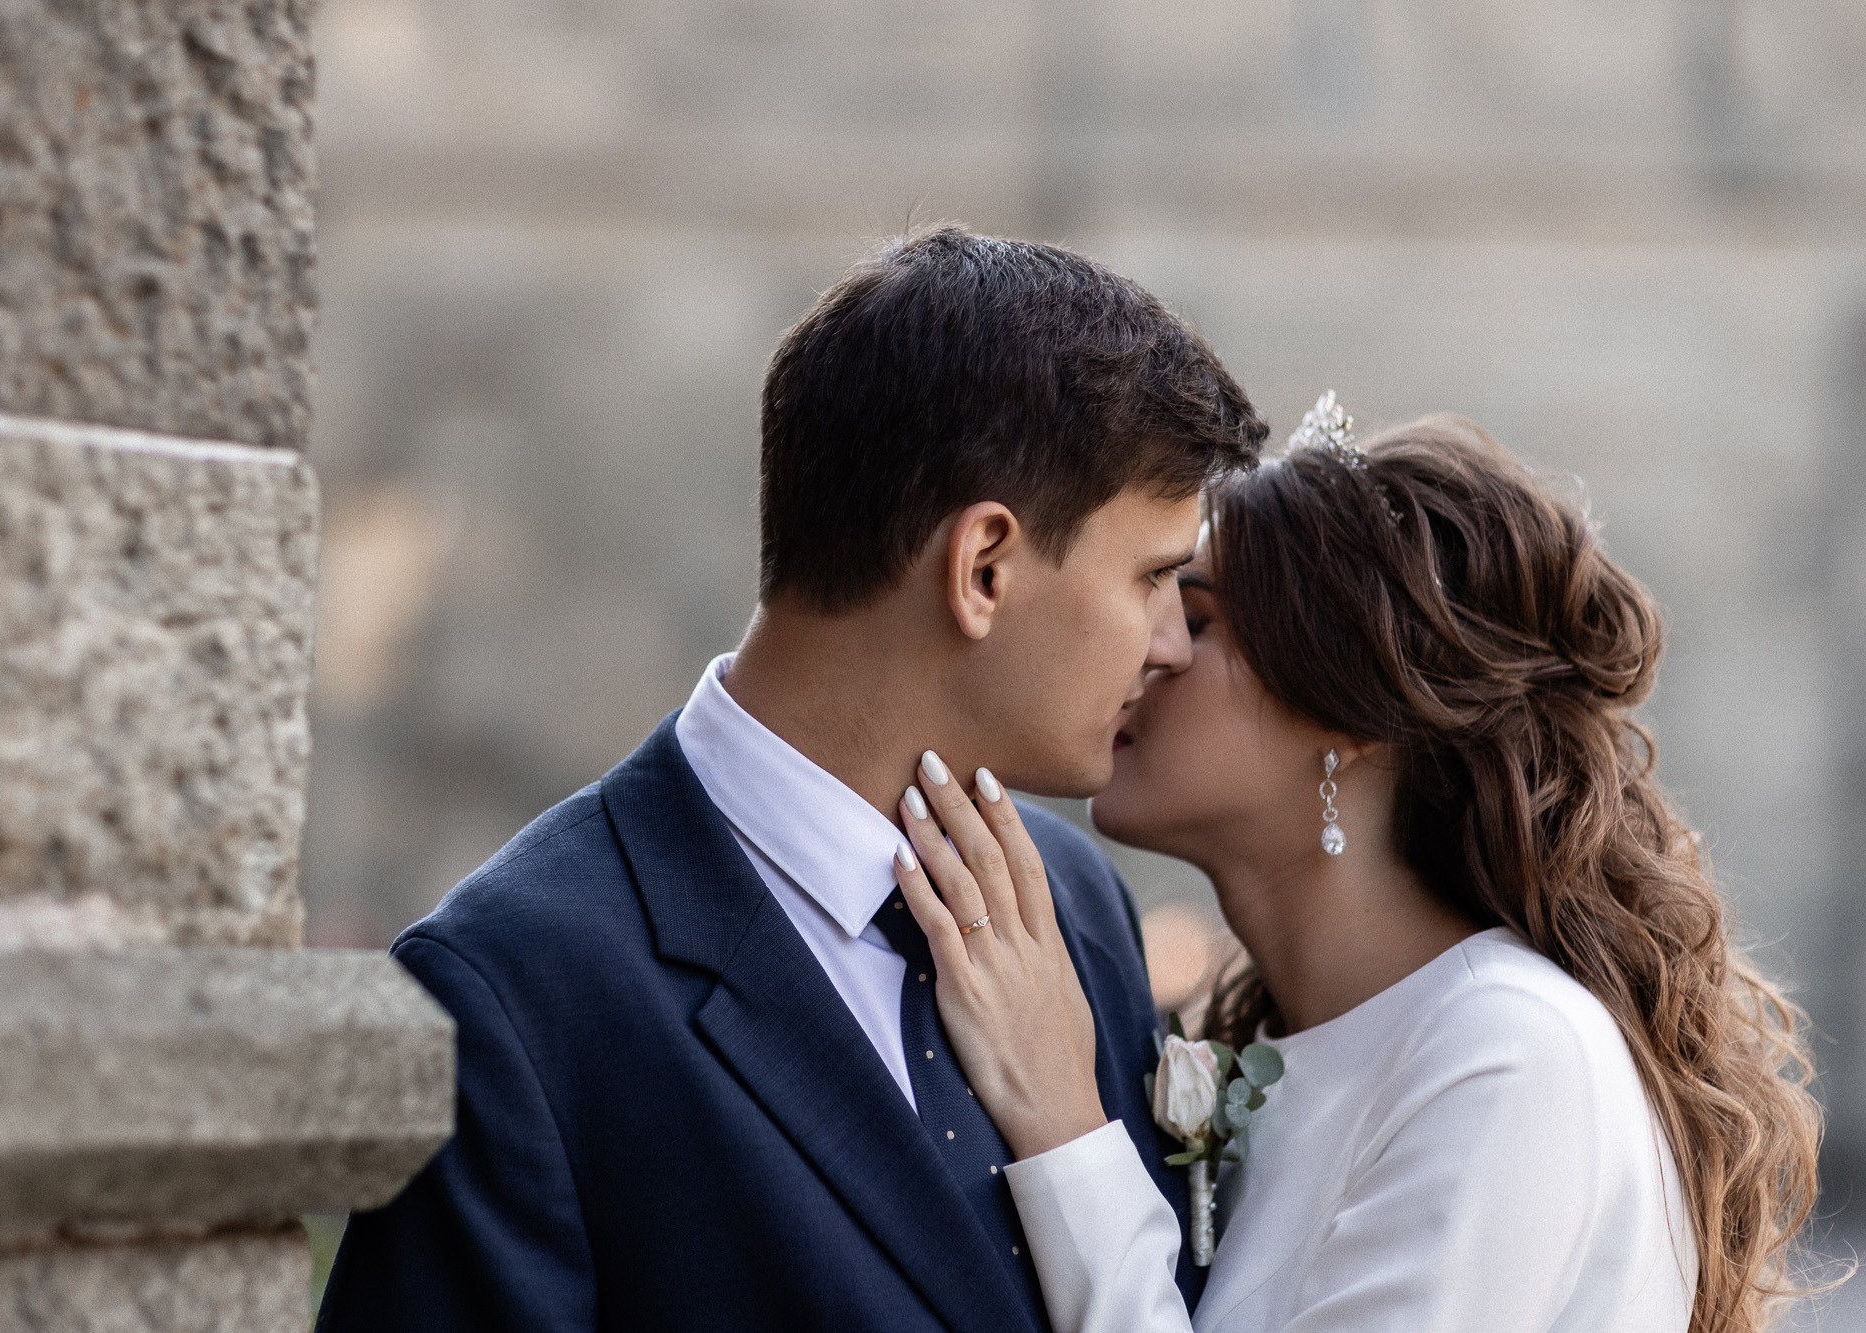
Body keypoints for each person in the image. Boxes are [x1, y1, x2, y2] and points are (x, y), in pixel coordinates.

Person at [314, 224, 1269, 1331]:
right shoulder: (516, 999)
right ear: (984, 568)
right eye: (1154, 577)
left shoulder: (1073, 902)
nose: (1172, 643)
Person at [892, 407, 1823, 1333]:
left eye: (1203, 618)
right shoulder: (1293, 1045)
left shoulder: (1512, 1051)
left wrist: (1062, 1122)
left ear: (1355, 717)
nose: (1153, 645)